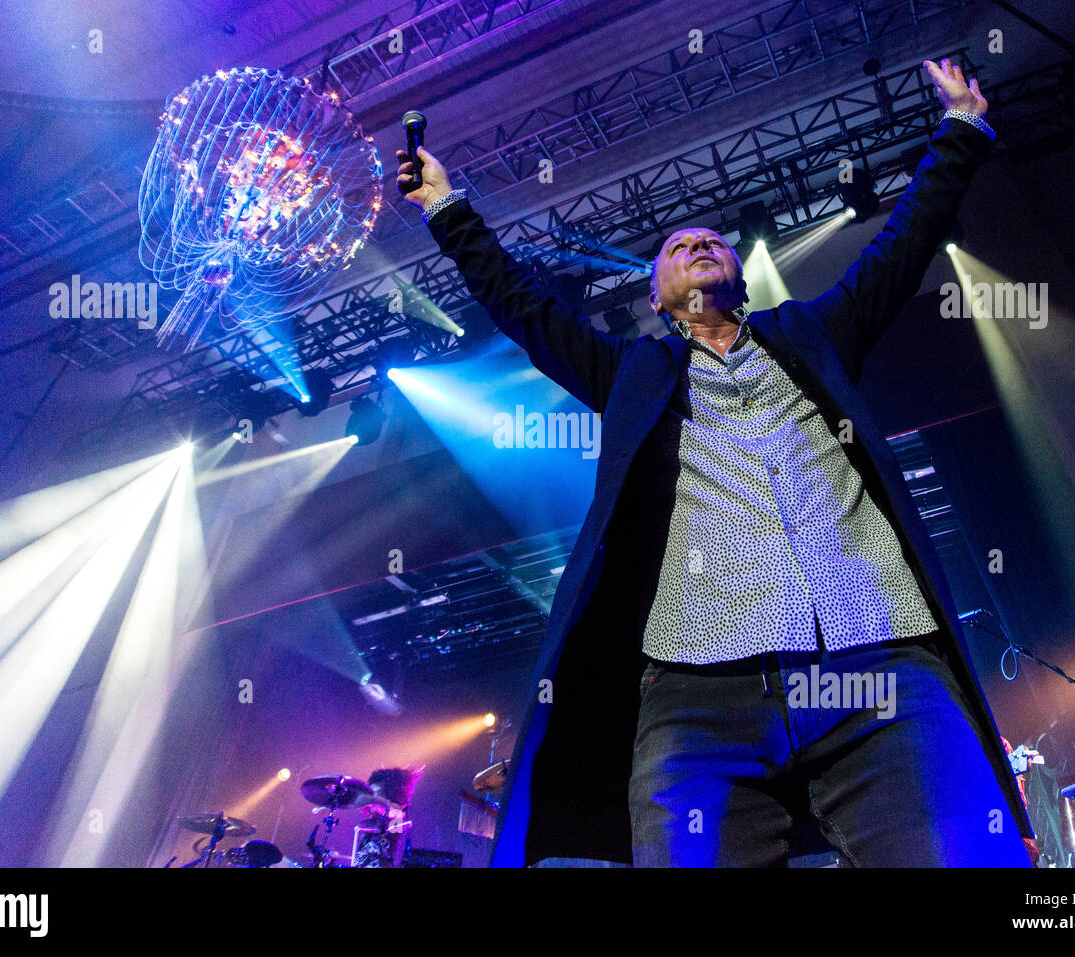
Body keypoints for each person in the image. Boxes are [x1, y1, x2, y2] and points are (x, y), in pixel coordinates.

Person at [396, 59, 1034, 866]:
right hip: (700, 693)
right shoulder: (632, 374)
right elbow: (522, 304)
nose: (698, 240)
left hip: (872, 662)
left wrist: (962, 131)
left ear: (738, 277)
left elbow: (903, 243)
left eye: (712, 242)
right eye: (675, 248)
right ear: (658, 300)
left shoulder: (812, 333)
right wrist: (447, 206)